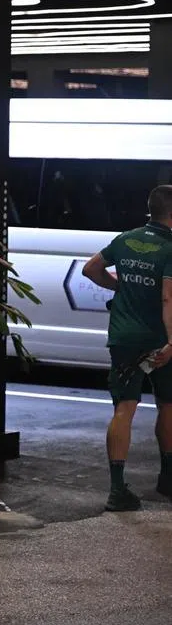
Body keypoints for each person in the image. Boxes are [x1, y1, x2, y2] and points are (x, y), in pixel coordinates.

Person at [82, 184, 172, 509]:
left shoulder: (124, 239)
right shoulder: (170, 248)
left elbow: (90, 268)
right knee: (168, 405)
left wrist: (118, 285)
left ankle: (118, 489)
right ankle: (167, 478)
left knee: (124, 409)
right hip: (159, 341)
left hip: (123, 338)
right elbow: (167, 298)